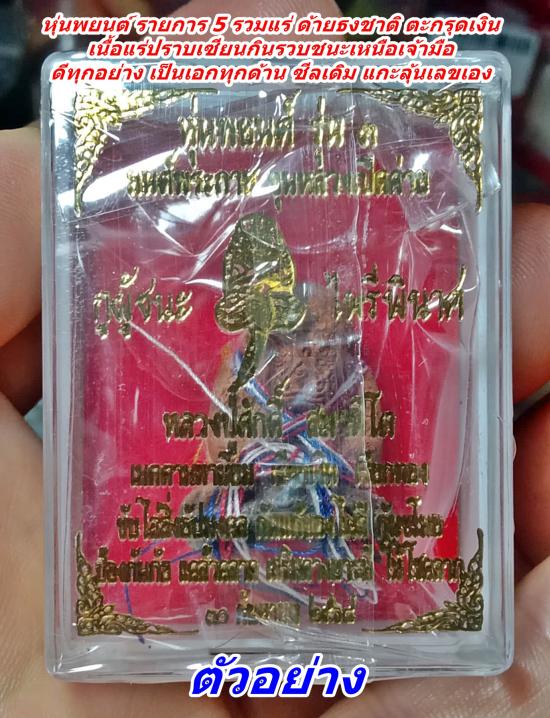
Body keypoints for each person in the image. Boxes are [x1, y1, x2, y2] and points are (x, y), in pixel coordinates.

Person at [1, 1, 550, 715]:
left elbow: (360, 439)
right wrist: (232, 469)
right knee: (239, 539)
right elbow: (219, 446)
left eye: (271, 281)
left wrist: (319, 452)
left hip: (321, 513)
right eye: (248, 282)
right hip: (255, 517)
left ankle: (301, 594)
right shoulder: (241, 364)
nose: (264, 296)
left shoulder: (336, 359)